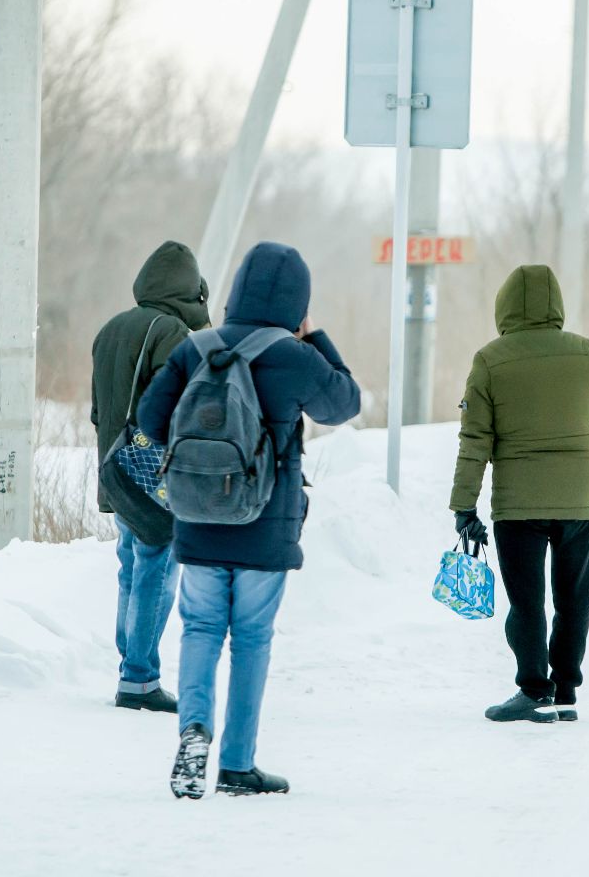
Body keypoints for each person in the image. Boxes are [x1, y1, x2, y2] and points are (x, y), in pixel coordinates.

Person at [139, 242, 360, 799]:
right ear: (297, 303)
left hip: (199, 517)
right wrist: (315, 336)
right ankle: (238, 764)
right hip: (265, 523)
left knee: (200, 628)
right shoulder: (295, 356)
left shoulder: (196, 348)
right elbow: (344, 404)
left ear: (236, 291)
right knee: (252, 638)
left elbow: (150, 420)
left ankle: (194, 730)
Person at [449, 264, 589, 724]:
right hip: (580, 502)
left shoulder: (490, 360)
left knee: (527, 602)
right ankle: (565, 689)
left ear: (504, 307)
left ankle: (533, 690)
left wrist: (464, 505)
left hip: (518, 507)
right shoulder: (587, 354)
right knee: (574, 601)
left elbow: (475, 441)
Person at [90, 240, 210, 713]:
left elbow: (99, 410)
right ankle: (139, 678)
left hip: (116, 469)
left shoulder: (111, 328)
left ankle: (131, 665)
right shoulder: (171, 332)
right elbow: (181, 406)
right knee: (156, 569)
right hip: (154, 474)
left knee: (131, 565)